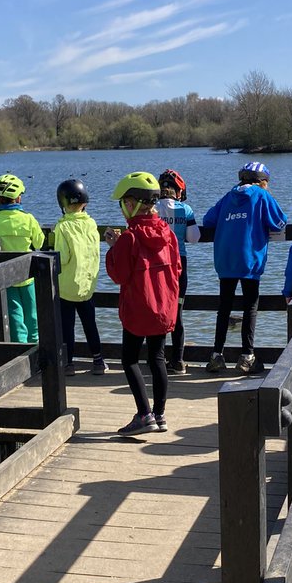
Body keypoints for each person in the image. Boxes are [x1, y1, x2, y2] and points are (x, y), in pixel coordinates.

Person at [104, 172, 180, 436]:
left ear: (132, 203)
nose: (122, 207)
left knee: (129, 360)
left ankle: (144, 414)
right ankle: (160, 415)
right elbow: (177, 269)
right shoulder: (168, 233)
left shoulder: (130, 237)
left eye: (124, 202)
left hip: (138, 307)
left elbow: (118, 275)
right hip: (163, 306)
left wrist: (113, 248)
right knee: (157, 358)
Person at [202, 161, 287, 375]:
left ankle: (216, 356)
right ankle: (247, 356)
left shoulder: (228, 196)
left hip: (225, 259)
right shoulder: (261, 195)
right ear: (262, 182)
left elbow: (208, 220)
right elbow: (280, 222)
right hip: (249, 258)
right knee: (250, 307)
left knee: (224, 307)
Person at [0, 173, 45, 343]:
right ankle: (36, 348)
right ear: (18, 198)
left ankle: (20, 352)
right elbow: (40, 242)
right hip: (28, 275)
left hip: (7, 278)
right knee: (33, 316)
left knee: (15, 318)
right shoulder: (28, 219)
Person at [51, 178, 107, 377]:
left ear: (63, 203)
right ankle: (98, 361)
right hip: (87, 285)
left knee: (68, 326)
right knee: (89, 323)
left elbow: (62, 258)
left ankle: (68, 364)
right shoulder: (92, 224)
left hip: (67, 286)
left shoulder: (62, 228)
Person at [156, 168, 201, 374]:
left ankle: (157, 358)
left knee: (158, 311)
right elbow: (194, 238)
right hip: (179, 264)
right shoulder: (186, 209)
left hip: (157, 264)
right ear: (179, 191)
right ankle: (178, 361)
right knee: (178, 313)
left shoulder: (153, 208)